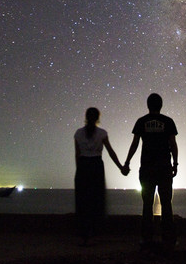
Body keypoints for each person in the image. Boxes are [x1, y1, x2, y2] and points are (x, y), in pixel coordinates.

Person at [123, 93, 178, 248]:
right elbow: (173, 144)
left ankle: (146, 238)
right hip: (164, 167)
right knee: (166, 203)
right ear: (161, 105)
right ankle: (168, 238)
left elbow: (134, 144)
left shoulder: (141, 122)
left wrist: (127, 162)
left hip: (147, 168)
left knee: (147, 203)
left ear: (148, 105)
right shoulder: (168, 122)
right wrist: (176, 163)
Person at [74, 107, 126, 244]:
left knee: (83, 200)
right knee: (96, 199)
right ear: (98, 118)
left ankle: (84, 233)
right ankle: (93, 231)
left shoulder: (78, 133)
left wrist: (78, 172)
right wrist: (121, 167)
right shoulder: (102, 133)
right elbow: (110, 152)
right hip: (96, 166)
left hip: (83, 167)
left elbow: (77, 155)